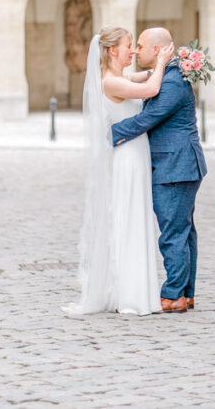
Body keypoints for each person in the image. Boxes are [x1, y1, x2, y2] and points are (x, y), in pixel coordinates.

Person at [64, 26, 174, 316]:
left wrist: (175, 61)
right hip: (126, 159)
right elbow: (151, 89)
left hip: (135, 156)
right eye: (129, 46)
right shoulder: (110, 82)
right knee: (129, 221)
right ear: (112, 51)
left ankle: (137, 289)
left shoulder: (120, 77)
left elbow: (145, 77)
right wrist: (161, 63)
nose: (134, 52)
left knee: (135, 220)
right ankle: (131, 295)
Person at [111, 27, 208, 313]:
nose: (135, 51)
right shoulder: (166, 75)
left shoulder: (173, 82)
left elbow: (149, 118)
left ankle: (173, 295)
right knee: (184, 231)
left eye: (139, 46)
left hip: (175, 167)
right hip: (179, 165)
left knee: (173, 233)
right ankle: (185, 293)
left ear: (156, 50)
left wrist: (109, 135)